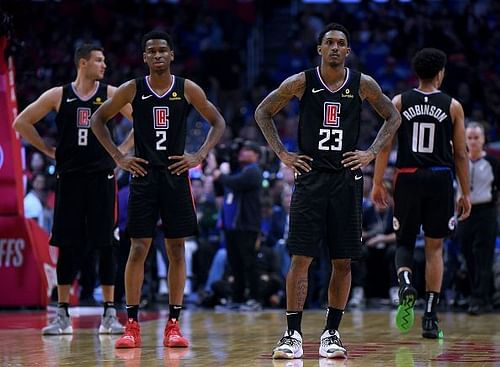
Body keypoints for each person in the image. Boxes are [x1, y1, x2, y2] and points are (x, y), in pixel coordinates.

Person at [254, 23, 401, 360]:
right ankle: (292, 334)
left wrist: (370, 152)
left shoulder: (362, 83)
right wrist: (282, 154)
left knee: (343, 261)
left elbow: (393, 118)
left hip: (347, 180)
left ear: (348, 51)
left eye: (341, 43)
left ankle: (332, 332)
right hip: (311, 178)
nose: (335, 48)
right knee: (301, 257)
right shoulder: (302, 82)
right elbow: (263, 112)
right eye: (330, 43)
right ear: (319, 49)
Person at [90, 30, 225, 349]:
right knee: (138, 249)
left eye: (164, 50)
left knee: (176, 250)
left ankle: (174, 324)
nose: (158, 55)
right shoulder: (132, 89)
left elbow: (217, 121)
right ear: (145, 57)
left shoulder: (186, 88)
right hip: (143, 176)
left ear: (172, 55)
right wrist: (119, 157)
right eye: (152, 51)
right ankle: (132, 324)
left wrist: (199, 154)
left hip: (176, 177)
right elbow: (98, 120)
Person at [13, 44, 132, 335]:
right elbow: (21, 122)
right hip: (69, 179)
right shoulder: (58, 95)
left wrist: (120, 153)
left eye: (104, 60)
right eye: (99, 60)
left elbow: (139, 123)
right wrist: (47, 149)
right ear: (82, 63)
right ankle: (62, 315)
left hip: (102, 178)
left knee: (106, 245)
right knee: (67, 244)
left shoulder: (112, 94)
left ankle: (109, 315)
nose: (104, 65)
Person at [371, 48, 471, 339]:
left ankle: (404, 283)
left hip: (408, 177)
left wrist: (378, 183)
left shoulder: (399, 101)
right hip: (440, 178)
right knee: (434, 248)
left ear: (417, 73)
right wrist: (465, 192)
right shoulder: (453, 106)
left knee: (404, 240)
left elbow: (384, 145)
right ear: (440, 72)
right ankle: (430, 315)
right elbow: (462, 154)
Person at [213, 141, 262, 310]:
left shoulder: (253, 171)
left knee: (249, 263)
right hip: (232, 227)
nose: (242, 152)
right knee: (235, 264)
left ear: (256, 155)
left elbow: (236, 183)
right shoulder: (240, 170)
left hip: (247, 225)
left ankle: (255, 299)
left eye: (247, 150)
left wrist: (221, 175)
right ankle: (238, 298)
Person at [457, 122, 499, 315]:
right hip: (465, 213)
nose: (473, 141)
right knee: (467, 254)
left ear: (483, 139)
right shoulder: (458, 160)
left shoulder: (493, 163)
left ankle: (481, 298)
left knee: (484, 256)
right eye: (470, 138)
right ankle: (477, 294)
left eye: (477, 138)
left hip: (486, 213)